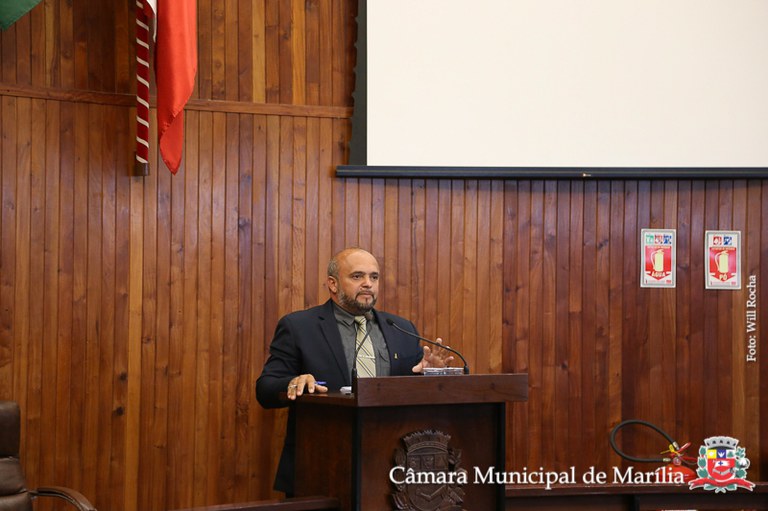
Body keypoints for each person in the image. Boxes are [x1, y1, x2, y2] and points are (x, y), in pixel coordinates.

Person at [256, 247, 452, 495]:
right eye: (357, 276)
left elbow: (409, 392)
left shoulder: (400, 328)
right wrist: (294, 381)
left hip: (392, 470)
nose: (368, 284)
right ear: (333, 284)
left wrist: (430, 376)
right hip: (321, 466)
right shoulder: (300, 327)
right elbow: (265, 388)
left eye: (374, 277)